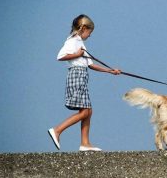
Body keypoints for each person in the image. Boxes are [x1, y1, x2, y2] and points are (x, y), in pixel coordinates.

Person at [48, 14, 121, 151]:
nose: (90, 35)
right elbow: (60, 56)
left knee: (88, 111)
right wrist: (77, 54)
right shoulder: (73, 40)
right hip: (76, 75)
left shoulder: (81, 43)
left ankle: (85, 143)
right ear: (84, 28)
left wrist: (110, 71)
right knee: (85, 112)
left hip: (82, 75)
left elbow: (91, 65)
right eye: (90, 32)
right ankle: (57, 130)